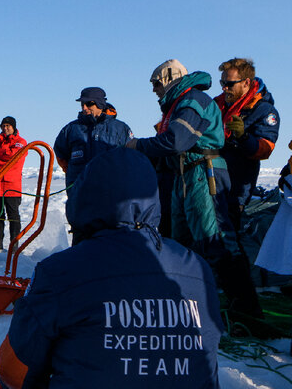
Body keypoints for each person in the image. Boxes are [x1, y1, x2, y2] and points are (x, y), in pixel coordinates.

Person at [0, 148, 224, 389]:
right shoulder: (196, 268)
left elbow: (13, 371)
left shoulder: (61, 272)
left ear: (85, 199)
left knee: (22, 387)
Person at [127, 59, 262, 320]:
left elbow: (177, 140)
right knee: (183, 243)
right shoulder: (178, 104)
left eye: (156, 83)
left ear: (169, 79)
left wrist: (137, 146)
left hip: (203, 172)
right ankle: (188, 300)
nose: (154, 89)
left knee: (216, 239)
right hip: (185, 175)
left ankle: (246, 308)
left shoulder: (193, 101)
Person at [215, 57, 281, 230]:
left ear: (246, 83)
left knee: (228, 235)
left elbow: (265, 149)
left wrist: (243, 137)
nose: (224, 88)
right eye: (222, 82)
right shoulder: (218, 104)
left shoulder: (264, 111)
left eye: (229, 84)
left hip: (236, 187)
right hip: (212, 181)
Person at [52, 87, 133, 215]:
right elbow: (60, 154)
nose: (84, 108)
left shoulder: (120, 129)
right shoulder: (71, 129)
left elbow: (130, 158)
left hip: (111, 195)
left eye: (89, 104)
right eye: (82, 104)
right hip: (80, 195)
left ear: (100, 104)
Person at [0, 116, 27, 252]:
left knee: (13, 217)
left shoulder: (21, 142)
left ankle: (14, 246)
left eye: (8, 126)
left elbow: (13, 157)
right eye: (3, 126)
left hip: (11, 186)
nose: (5, 128)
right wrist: (2, 162)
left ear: (13, 127)